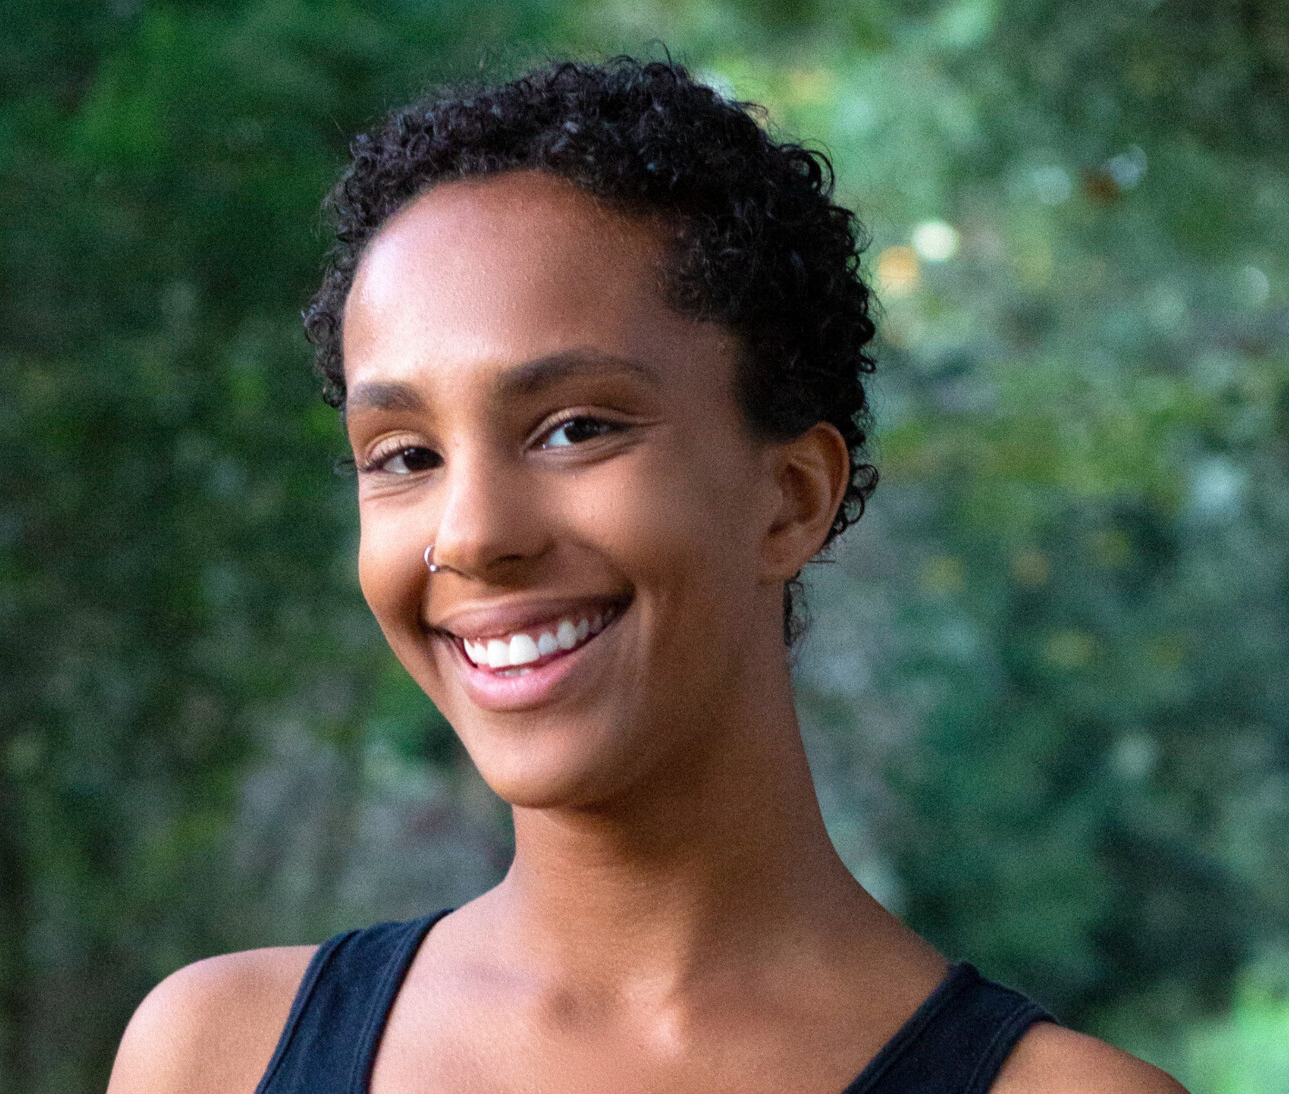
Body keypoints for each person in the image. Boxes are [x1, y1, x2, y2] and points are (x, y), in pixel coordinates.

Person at [107, 58, 1185, 1094]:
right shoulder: (218, 1053)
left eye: (574, 429)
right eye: (404, 456)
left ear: (791, 497)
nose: (473, 534)